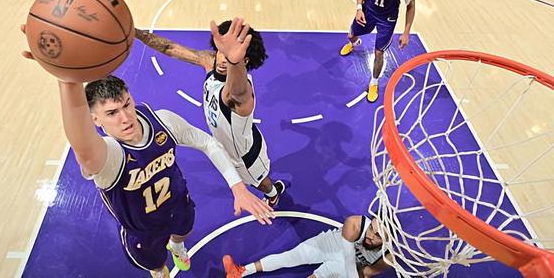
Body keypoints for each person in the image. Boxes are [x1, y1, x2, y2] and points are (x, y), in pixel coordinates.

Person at [20, 29, 274, 278]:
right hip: (143, 230)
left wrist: (237, 186)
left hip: (179, 202)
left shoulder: (162, 121)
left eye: (126, 105)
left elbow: (210, 141)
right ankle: (159, 272)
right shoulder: (109, 156)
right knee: (156, 264)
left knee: (183, 232)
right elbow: (82, 145)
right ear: (94, 119)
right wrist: (67, 80)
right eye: (112, 113)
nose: (125, 118)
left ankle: (177, 247)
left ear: (132, 98)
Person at [135, 18, 285, 207]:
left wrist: (234, 60)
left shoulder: (239, 94)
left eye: (230, 56)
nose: (222, 59)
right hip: (227, 142)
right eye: (221, 52)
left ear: (244, 60)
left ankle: (273, 193)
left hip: (245, 157)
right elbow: (169, 48)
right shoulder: (210, 60)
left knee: (260, 182)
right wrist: (134, 33)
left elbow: (238, 91)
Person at [339, 0, 416, 103]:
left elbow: (411, 6)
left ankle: (374, 82)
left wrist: (406, 32)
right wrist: (359, 9)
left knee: (379, 53)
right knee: (351, 35)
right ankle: (354, 43)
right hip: (368, 12)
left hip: (387, 19)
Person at [223, 215, 391, 278]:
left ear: (389, 239)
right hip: (332, 244)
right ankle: (240, 272)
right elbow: (347, 256)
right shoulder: (355, 223)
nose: (370, 235)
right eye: (371, 228)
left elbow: (366, 273)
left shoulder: (389, 257)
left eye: (377, 236)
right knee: (289, 257)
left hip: (352, 265)